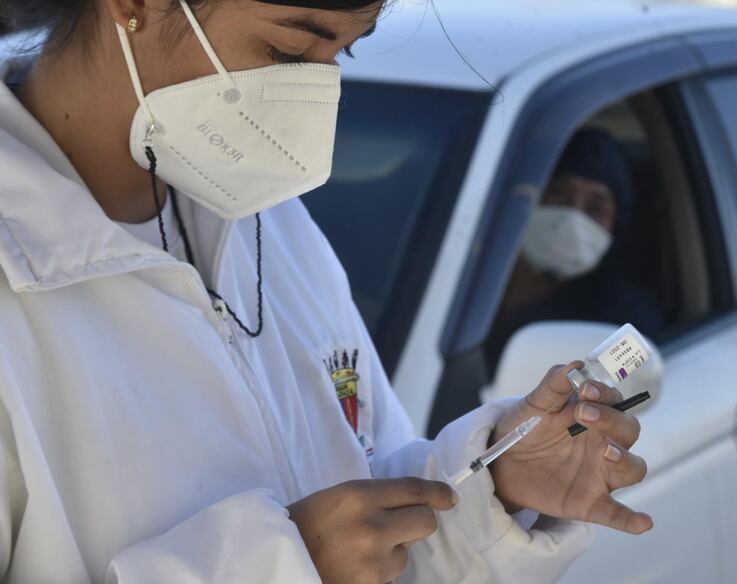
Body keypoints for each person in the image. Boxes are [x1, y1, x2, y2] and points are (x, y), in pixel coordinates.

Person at [0, 2, 651, 583]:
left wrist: (492, 486)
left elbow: (367, 514)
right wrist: (282, 567)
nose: (314, 97)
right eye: (288, 50)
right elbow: (314, 556)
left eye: (344, 52)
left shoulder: (266, 221)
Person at [487, 129, 666, 372]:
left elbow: (621, 380)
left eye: (595, 209)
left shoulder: (632, 321)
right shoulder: (472, 282)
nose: (572, 217)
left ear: (615, 225)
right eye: (558, 194)